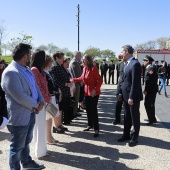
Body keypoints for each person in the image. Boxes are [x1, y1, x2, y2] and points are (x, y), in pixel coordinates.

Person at [1, 43, 45, 169]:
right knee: (17, 146)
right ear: (25, 56)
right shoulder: (11, 72)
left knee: (26, 141)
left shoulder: (26, 69)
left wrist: (41, 100)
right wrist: (37, 104)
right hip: (19, 115)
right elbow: (20, 96)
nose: (30, 57)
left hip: (30, 112)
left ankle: (26, 162)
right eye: (29, 55)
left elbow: (35, 87)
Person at [71, 54, 103, 137]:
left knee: (93, 110)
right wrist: (73, 80)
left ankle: (96, 129)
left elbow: (100, 80)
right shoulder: (84, 68)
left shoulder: (94, 69)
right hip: (86, 92)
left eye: (84, 59)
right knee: (88, 109)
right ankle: (90, 125)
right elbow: (82, 78)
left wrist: (95, 89)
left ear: (88, 61)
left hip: (94, 93)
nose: (82, 61)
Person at [117, 45, 143, 147]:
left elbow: (135, 83)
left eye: (122, 52)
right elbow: (123, 81)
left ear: (127, 52)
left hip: (132, 97)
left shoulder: (135, 64)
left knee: (134, 117)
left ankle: (134, 137)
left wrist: (131, 97)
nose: (121, 53)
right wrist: (120, 93)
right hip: (124, 95)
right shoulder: (126, 64)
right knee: (126, 116)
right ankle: (126, 135)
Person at [31, 49, 51, 158]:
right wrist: (46, 98)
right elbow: (37, 87)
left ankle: (42, 149)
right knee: (39, 127)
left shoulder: (40, 70)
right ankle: (39, 151)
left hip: (43, 101)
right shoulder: (34, 70)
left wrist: (47, 97)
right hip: (39, 102)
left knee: (42, 126)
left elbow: (45, 86)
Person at [50, 51, 72, 127]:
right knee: (58, 109)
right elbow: (55, 81)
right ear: (57, 58)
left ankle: (60, 124)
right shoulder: (54, 67)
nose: (63, 59)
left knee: (61, 109)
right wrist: (66, 84)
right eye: (62, 58)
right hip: (59, 92)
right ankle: (57, 126)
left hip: (65, 91)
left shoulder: (60, 66)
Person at [44, 55, 60, 144]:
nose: (51, 63)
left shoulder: (48, 72)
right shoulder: (44, 72)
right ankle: (48, 137)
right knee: (48, 119)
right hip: (49, 97)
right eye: (50, 61)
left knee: (50, 118)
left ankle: (50, 136)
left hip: (52, 96)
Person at [143, 55, 158, 125]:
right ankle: (152, 118)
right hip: (151, 89)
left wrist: (146, 90)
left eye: (144, 60)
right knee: (149, 104)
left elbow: (149, 81)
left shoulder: (151, 68)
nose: (143, 62)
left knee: (149, 104)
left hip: (151, 90)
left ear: (148, 61)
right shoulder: (149, 67)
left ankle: (151, 120)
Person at [69, 51, 82, 117]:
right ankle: (74, 113)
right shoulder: (74, 62)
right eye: (80, 55)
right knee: (76, 98)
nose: (81, 57)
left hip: (77, 82)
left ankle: (75, 111)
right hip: (76, 83)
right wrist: (80, 81)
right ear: (77, 55)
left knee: (77, 98)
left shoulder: (76, 62)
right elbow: (75, 74)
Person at [113, 60, 124, 125]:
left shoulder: (132, 64)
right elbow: (119, 75)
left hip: (126, 88)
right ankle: (117, 119)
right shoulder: (120, 64)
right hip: (120, 86)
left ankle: (129, 120)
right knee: (118, 105)